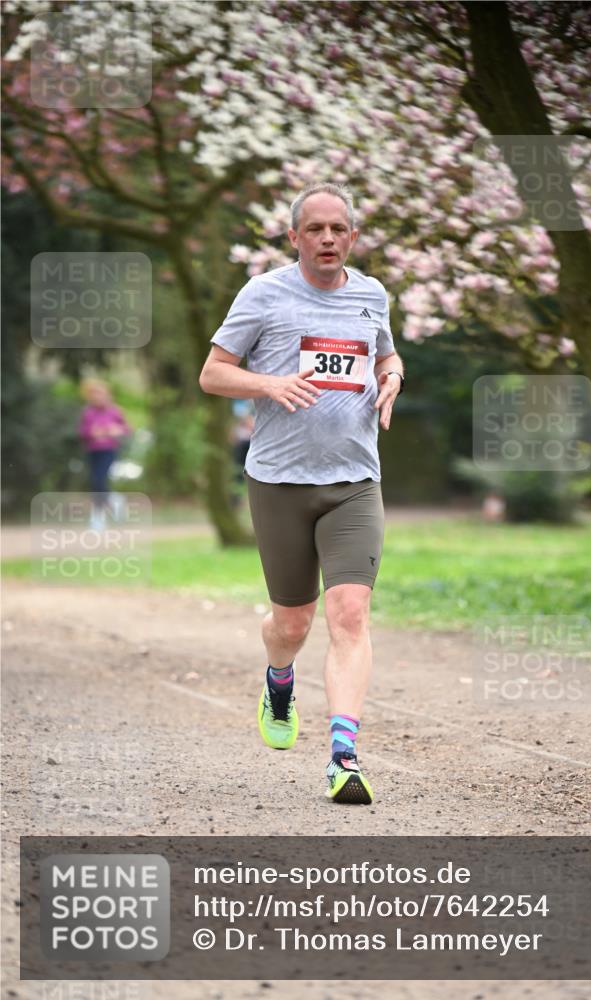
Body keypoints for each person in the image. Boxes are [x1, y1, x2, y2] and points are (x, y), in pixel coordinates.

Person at [199, 182, 404, 804]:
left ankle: (344, 757)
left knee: (350, 614)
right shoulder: (264, 293)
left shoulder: (372, 296)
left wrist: (392, 376)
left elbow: (386, 357)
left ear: (353, 237)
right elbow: (213, 373)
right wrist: (268, 385)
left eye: (338, 229)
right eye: (314, 229)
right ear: (294, 238)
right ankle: (279, 679)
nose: (327, 239)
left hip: (353, 482)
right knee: (292, 622)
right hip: (280, 482)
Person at [78, 379, 131, 530]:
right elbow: (82, 432)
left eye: (100, 393)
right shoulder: (88, 413)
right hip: (93, 451)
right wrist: (92, 433)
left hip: (109, 450)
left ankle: (98, 517)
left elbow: (126, 429)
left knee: (99, 481)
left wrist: (115, 430)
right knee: (96, 483)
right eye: (93, 394)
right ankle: (114, 500)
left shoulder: (114, 411)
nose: (97, 397)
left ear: (107, 394)